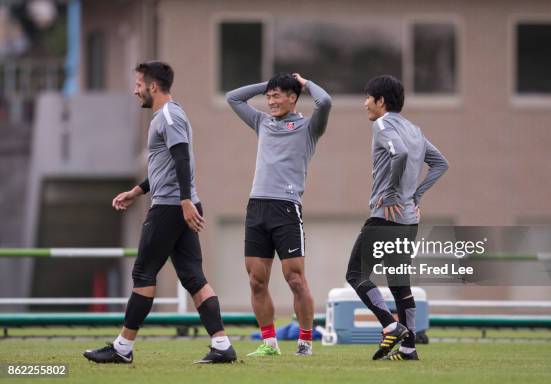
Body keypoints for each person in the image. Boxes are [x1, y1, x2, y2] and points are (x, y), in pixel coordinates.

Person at [84, 61, 236, 364]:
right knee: (193, 277)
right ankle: (222, 345)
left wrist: (183, 202)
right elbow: (165, 166)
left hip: (170, 207)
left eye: (139, 84)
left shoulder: (167, 116)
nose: (135, 90)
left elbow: (182, 160)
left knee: (143, 273)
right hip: (176, 204)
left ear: (153, 86)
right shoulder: (169, 115)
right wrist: (137, 191)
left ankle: (122, 349)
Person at [226, 73, 332, 356]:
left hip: (285, 208)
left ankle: (305, 341)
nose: (271, 101)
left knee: (295, 279)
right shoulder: (261, 122)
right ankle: (269, 342)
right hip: (256, 208)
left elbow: (326, 101)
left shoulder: (310, 128)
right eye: (269, 97)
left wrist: (304, 83)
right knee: (256, 279)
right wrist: (268, 84)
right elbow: (233, 97)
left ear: (293, 98)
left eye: (277, 95)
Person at [345, 75, 448, 361]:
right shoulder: (414, 129)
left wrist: (391, 194)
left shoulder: (382, 124)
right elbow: (441, 163)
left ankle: (391, 325)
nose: (365, 103)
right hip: (409, 220)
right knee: (399, 283)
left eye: (368, 97)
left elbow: (399, 154)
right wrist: (416, 196)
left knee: (356, 275)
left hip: (385, 217)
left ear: (380, 101)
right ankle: (409, 348)